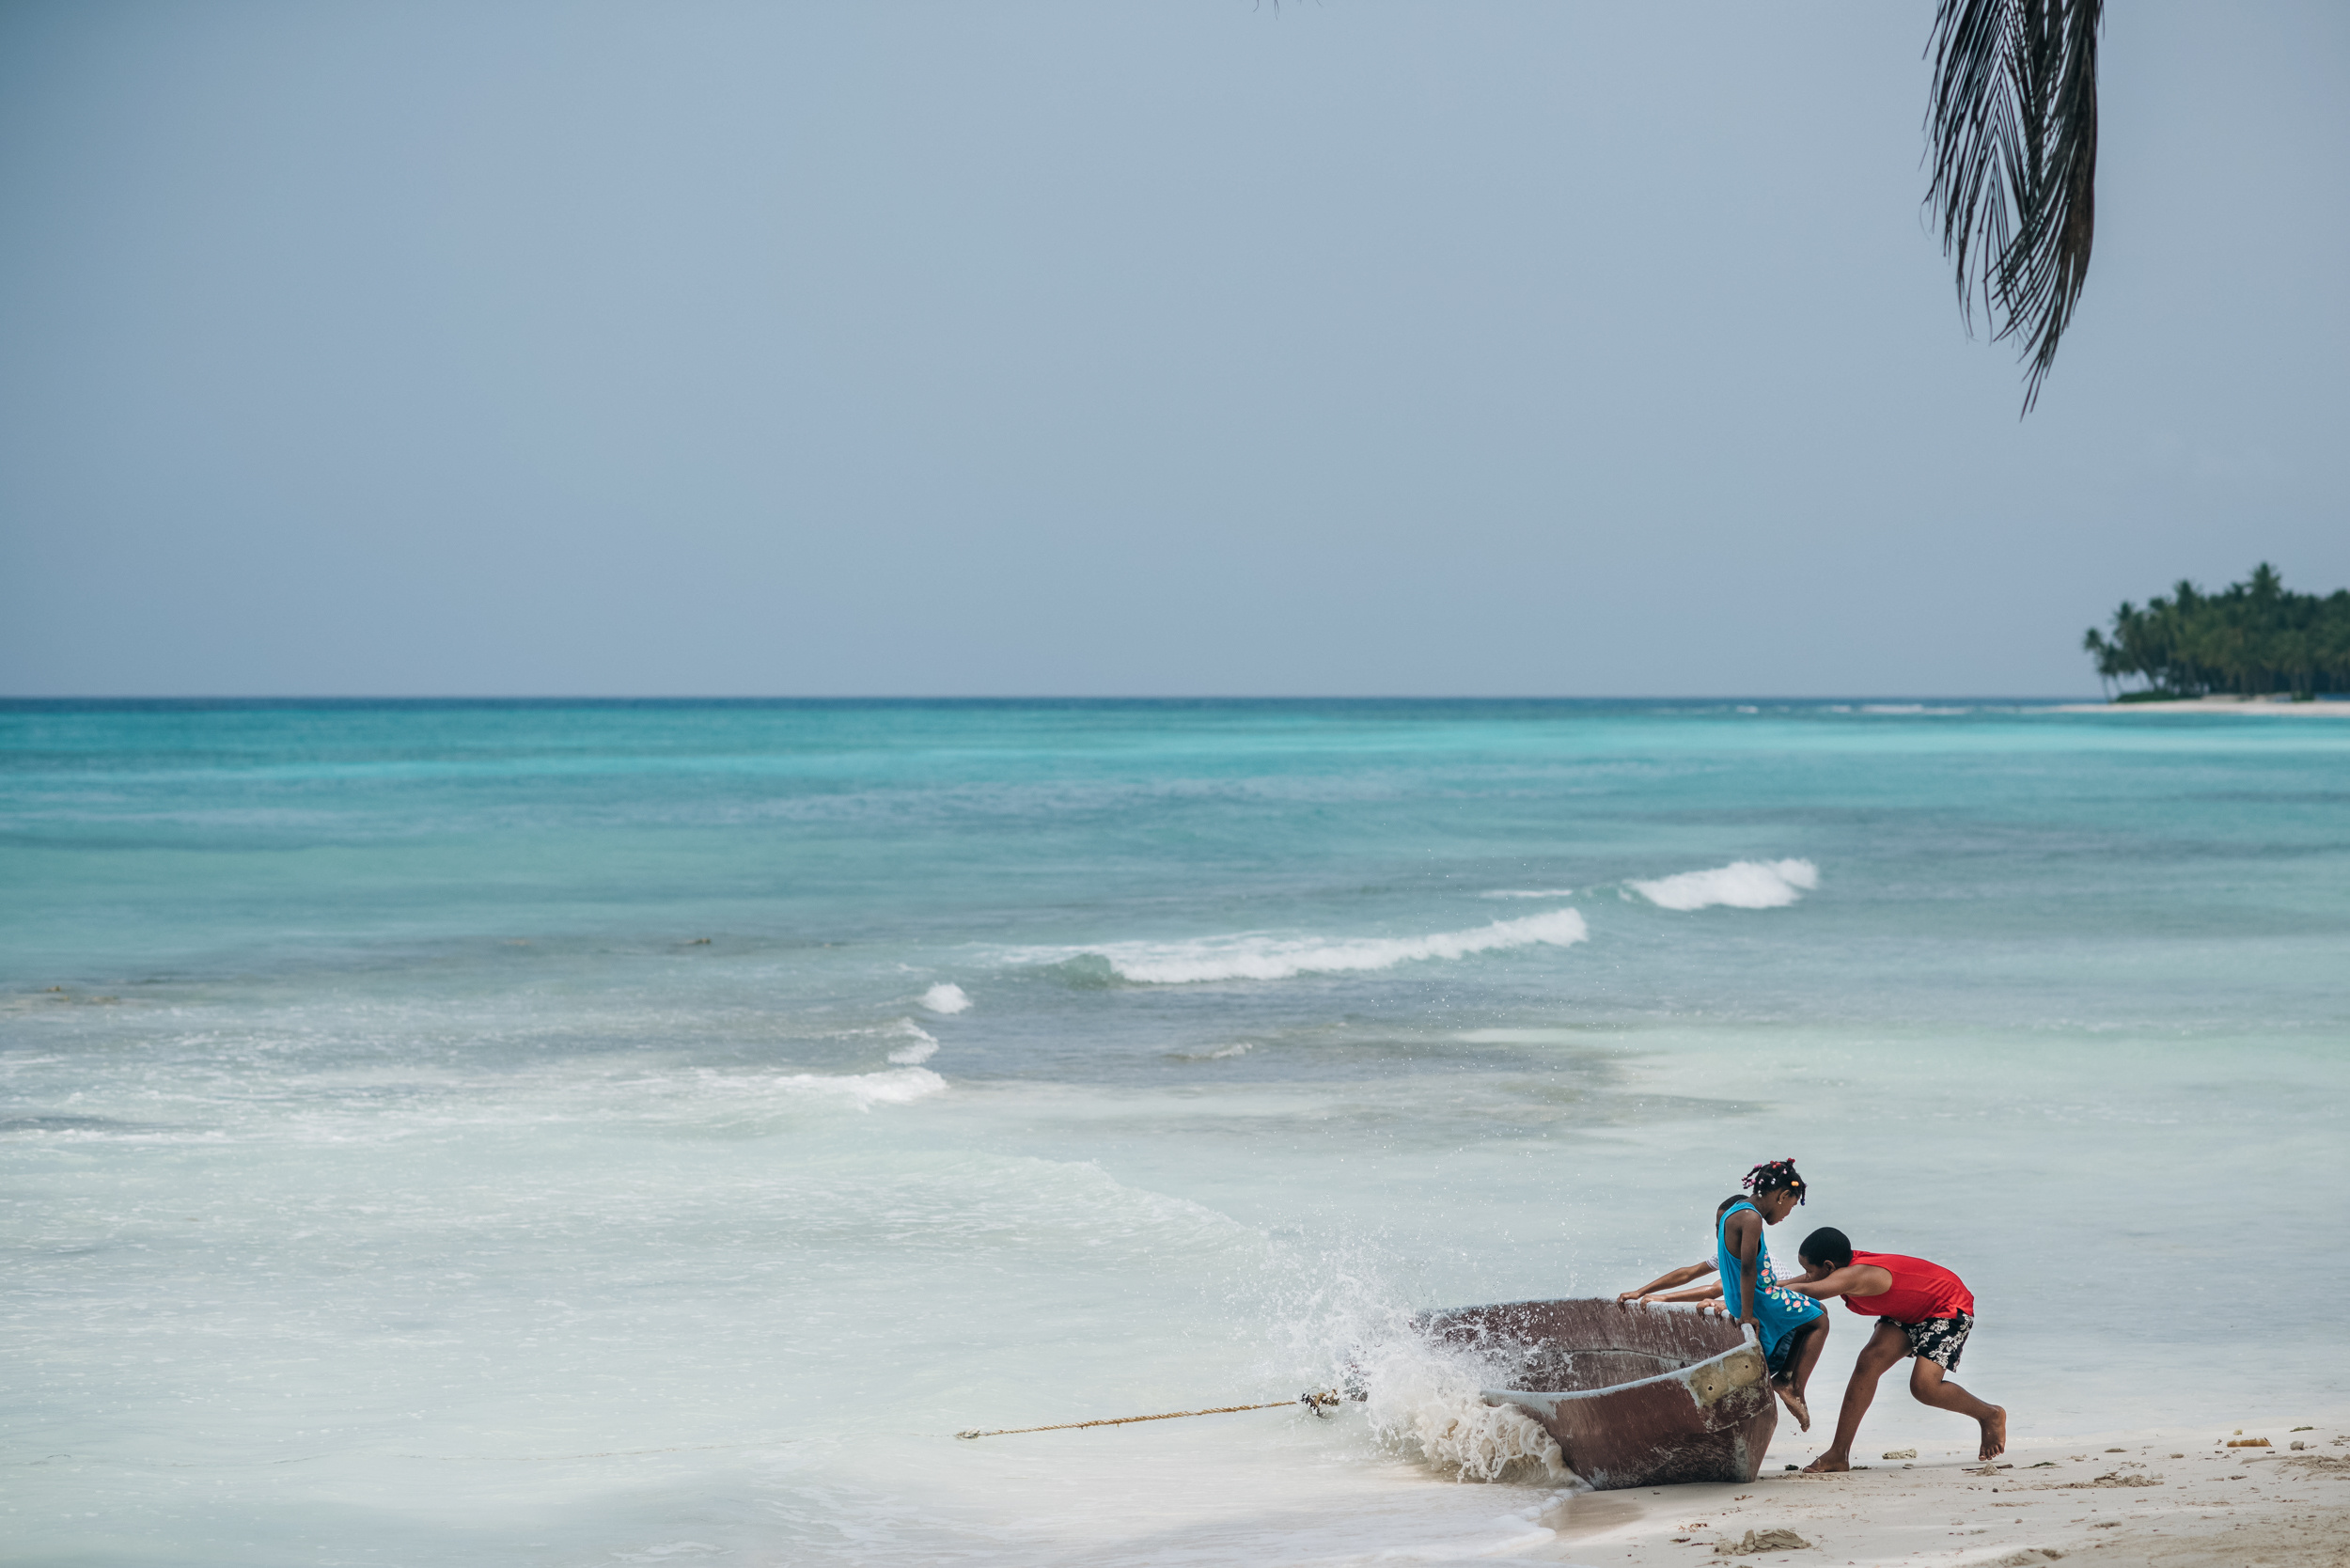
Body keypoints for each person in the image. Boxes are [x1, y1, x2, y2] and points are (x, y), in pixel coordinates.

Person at [1615, 1161, 1829, 1430]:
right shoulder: (1752, 1218)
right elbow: (1748, 1269)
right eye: (1791, 1206)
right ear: (1783, 1195)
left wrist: (1643, 1290)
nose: (1787, 1213)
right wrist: (1747, 1316)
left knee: (1813, 1313)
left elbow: (1692, 1272)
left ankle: (1785, 1380)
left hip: (1746, 1300)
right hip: (1762, 1300)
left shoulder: (1733, 1213)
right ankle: (1791, 1385)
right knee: (1820, 1318)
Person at [1781, 1226, 2006, 1468]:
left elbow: (1806, 1290)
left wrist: (1765, 1294)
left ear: (1828, 1267)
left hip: (1946, 1304)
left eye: (1809, 1270)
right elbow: (1801, 1282)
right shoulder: (1839, 1269)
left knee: (1924, 1387)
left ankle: (1990, 1414)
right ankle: (1839, 1454)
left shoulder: (1856, 1275)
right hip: (1910, 1308)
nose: (1806, 1275)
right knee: (1868, 1362)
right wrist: (1762, 1287)